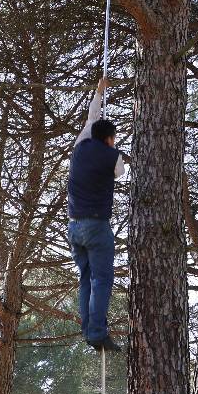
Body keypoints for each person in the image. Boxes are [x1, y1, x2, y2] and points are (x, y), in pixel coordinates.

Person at [68, 75, 125, 353]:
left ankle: (88, 329)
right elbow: (119, 172)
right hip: (96, 226)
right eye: (113, 139)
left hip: (74, 227)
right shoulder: (112, 156)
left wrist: (99, 92)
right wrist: (112, 153)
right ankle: (97, 333)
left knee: (86, 279)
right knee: (101, 279)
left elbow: (92, 118)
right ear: (109, 138)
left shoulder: (80, 146)